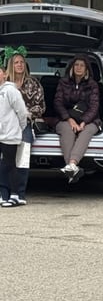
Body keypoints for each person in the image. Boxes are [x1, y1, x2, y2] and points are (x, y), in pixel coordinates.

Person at [53, 55, 101, 184]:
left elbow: (94, 106)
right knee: (68, 130)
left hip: (90, 120)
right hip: (65, 118)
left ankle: (71, 165)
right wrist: (69, 119)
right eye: (76, 65)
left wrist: (84, 121)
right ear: (72, 67)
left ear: (86, 69)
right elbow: (58, 103)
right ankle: (73, 168)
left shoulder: (93, 85)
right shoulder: (63, 82)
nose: (79, 68)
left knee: (86, 132)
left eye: (82, 65)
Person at [6, 49, 45, 205]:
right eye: (16, 62)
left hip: (24, 124)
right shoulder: (4, 83)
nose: (20, 65)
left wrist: (24, 113)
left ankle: (19, 193)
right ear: (11, 65)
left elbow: (41, 106)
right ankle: (5, 191)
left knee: (22, 158)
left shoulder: (33, 83)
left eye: (22, 62)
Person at [0, 61, 29, 208]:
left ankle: (15, 195)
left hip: (10, 135)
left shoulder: (11, 91)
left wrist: (21, 128)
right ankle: (3, 195)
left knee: (11, 165)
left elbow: (22, 112)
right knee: (3, 165)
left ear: (4, 74)